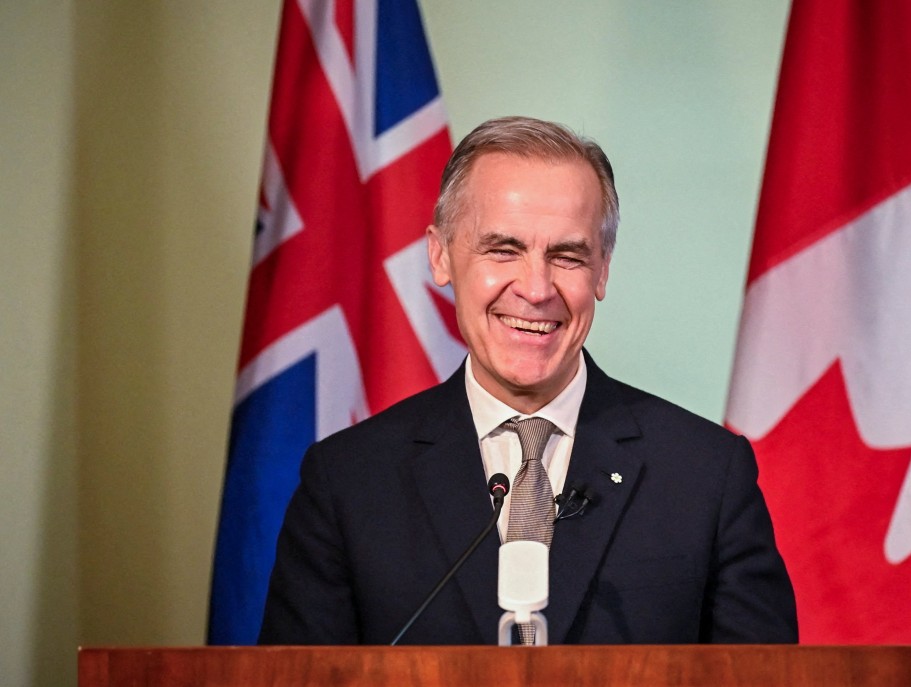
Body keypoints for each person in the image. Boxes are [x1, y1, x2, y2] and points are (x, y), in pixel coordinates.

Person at [259, 116, 797, 645]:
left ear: (602, 270)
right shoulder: (348, 482)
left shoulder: (705, 474)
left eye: (567, 256)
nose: (536, 289)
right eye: (503, 249)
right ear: (440, 255)